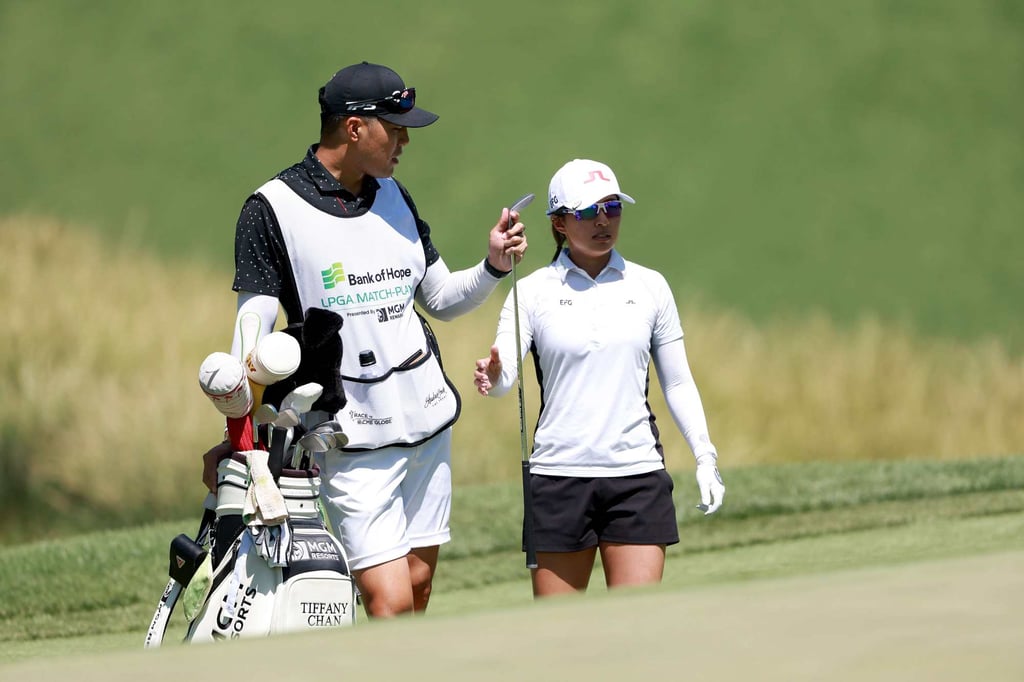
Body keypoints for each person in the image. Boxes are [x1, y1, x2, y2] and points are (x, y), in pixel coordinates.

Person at [202, 61, 528, 618]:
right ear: (354, 128)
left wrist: (493, 265)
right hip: (348, 435)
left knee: (417, 588)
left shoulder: (395, 195)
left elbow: (441, 299)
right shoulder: (271, 209)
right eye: (394, 129)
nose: (405, 141)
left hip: (426, 422)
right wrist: (239, 436)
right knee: (390, 600)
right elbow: (249, 344)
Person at [473, 159, 724, 598]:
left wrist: (705, 457)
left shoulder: (650, 286)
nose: (603, 221)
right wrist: (493, 377)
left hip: (637, 476)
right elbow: (505, 377)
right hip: (558, 477)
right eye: (589, 211)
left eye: (613, 207)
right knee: (560, 633)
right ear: (560, 222)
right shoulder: (531, 292)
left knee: (636, 626)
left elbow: (678, 383)